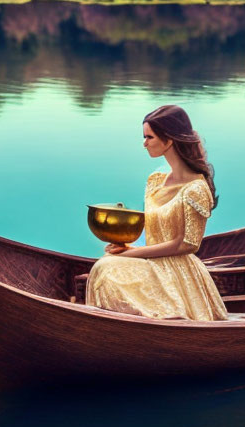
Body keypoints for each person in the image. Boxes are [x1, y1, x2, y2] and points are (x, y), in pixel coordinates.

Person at [85, 104, 228, 321]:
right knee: (106, 265)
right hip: (152, 263)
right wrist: (125, 247)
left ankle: (161, 322)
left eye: (149, 137)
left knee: (108, 267)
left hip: (176, 270)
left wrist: (131, 254)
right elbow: (155, 234)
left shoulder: (196, 189)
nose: (144, 144)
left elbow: (188, 244)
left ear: (169, 140)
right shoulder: (155, 181)